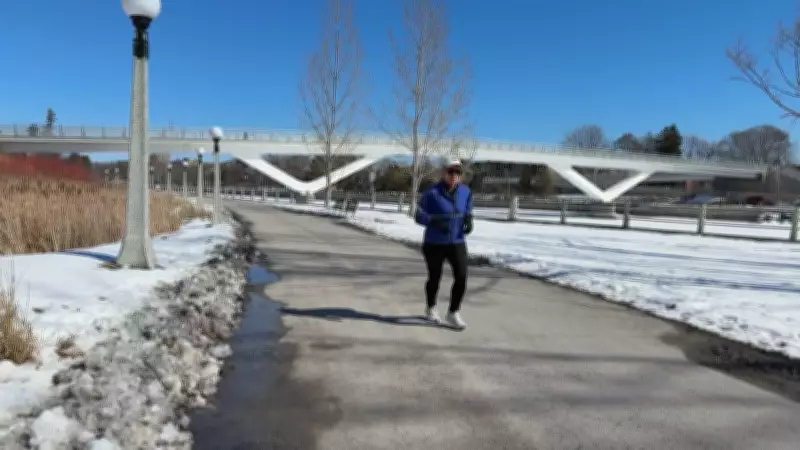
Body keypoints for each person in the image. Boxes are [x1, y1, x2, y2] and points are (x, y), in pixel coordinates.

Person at [413, 159, 474, 330]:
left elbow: (468, 208)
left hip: (457, 241)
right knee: (435, 277)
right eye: (451, 172)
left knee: (461, 276)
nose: (454, 175)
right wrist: (433, 221)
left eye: (458, 172)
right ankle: (431, 307)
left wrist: (469, 218)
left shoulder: (465, 192)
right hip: (434, 242)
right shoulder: (432, 193)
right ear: (444, 173)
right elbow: (418, 215)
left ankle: (453, 312)